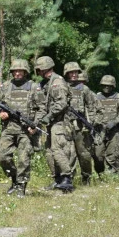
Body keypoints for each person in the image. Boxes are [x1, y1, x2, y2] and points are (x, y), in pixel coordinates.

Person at [0, 59, 39, 197]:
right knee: (2, 155)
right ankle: (14, 179)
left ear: (25, 72)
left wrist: (35, 125)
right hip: (8, 128)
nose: (17, 73)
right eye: (15, 71)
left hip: (26, 130)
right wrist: (1, 112)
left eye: (20, 71)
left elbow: (41, 108)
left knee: (24, 159)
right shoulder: (5, 87)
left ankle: (21, 187)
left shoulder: (33, 87)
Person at [34, 56, 75, 193]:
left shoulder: (57, 82)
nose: (38, 72)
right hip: (52, 122)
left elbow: (61, 103)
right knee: (49, 152)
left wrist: (49, 116)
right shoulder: (46, 83)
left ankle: (67, 179)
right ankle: (57, 180)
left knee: (57, 150)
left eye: (39, 69)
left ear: (45, 68)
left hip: (60, 121)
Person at [63, 62, 102, 185]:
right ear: (66, 73)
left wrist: (92, 122)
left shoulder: (84, 89)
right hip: (65, 125)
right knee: (68, 154)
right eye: (71, 72)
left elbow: (94, 106)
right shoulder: (61, 86)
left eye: (76, 72)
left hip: (81, 126)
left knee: (84, 154)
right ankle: (68, 179)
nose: (74, 75)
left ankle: (86, 178)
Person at [95, 75, 119, 175]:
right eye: (104, 85)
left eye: (109, 85)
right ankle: (100, 175)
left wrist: (114, 122)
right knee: (98, 155)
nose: (106, 87)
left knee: (113, 155)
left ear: (113, 86)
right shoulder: (96, 97)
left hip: (114, 131)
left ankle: (115, 176)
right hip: (99, 131)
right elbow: (91, 112)